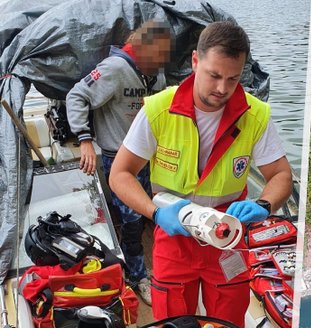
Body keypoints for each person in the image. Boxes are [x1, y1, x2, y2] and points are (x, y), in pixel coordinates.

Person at [109, 21, 293, 327]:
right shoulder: (159, 109)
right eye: (214, 75)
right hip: (173, 231)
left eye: (233, 79)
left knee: (229, 318)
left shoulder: (255, 114)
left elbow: (282, 175)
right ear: (195, 61)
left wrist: (263, 205)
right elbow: (120, 174)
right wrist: (155, 213)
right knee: (172, 319)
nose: (222, 89)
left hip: (227, 234)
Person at [66, 20, 172, 306]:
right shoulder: (114, 69)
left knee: (160, 209)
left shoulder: (155, 73)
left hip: (153, 155)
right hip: (119, 156)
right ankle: (139, 277)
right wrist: (85, 138)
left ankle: (165, 266)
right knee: (132, 221)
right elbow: (77, 96)